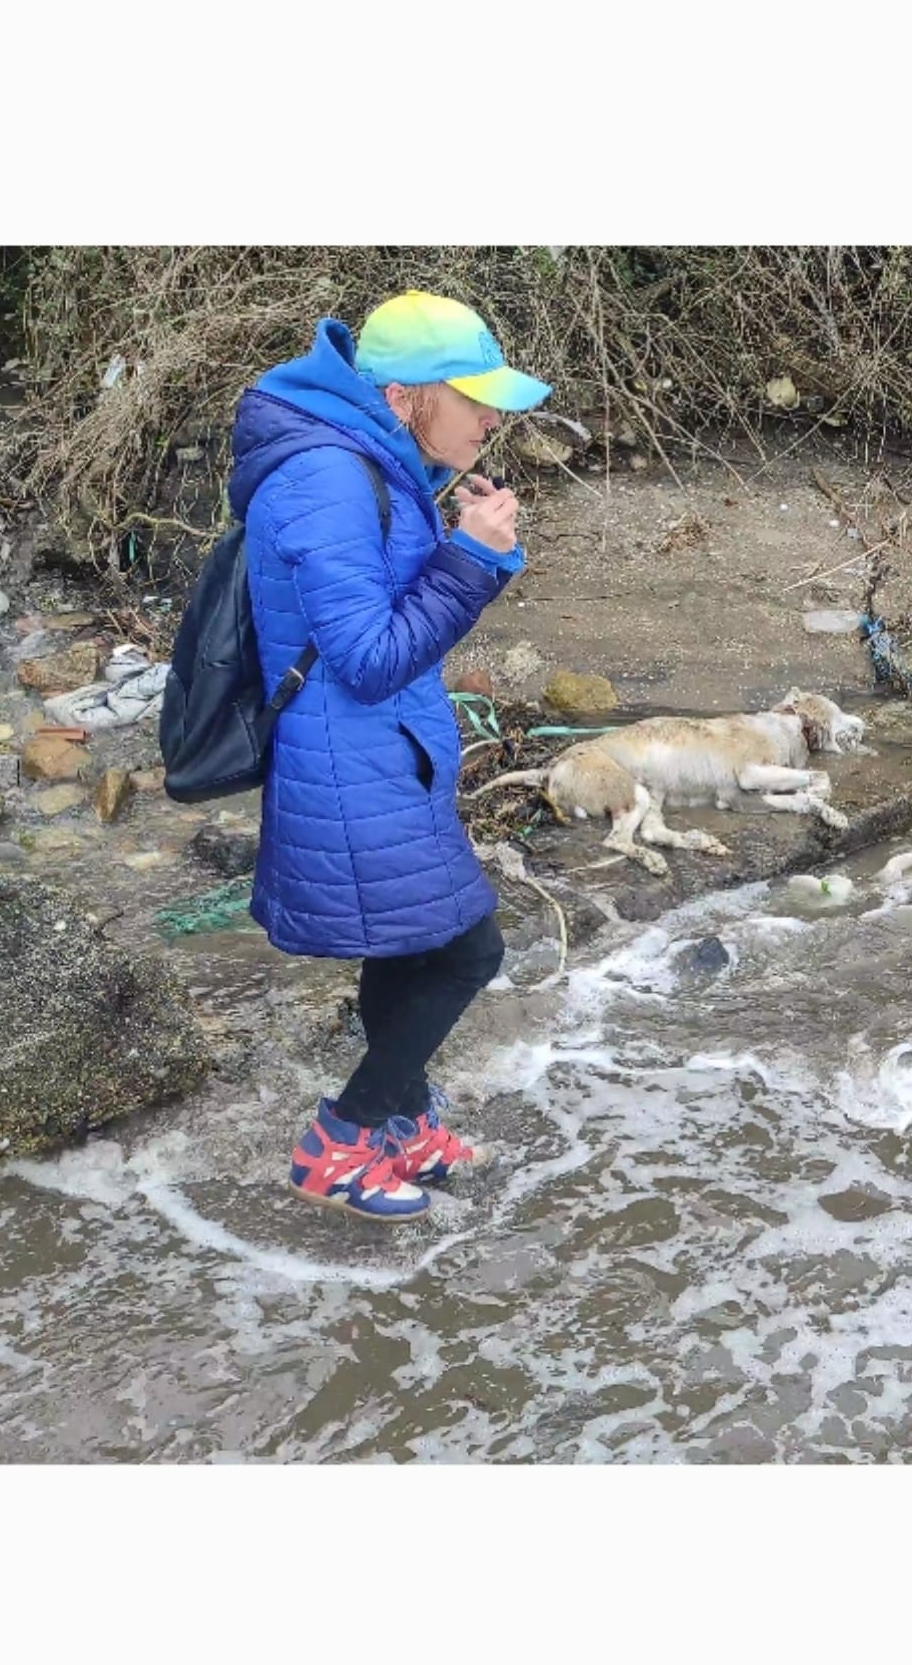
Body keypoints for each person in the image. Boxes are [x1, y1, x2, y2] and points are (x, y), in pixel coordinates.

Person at [226, 290, 552, 1224]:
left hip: (380, 756)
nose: (492, 420)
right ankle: (341, 1138)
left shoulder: (370, 459)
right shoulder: (328, 478)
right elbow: (368, 660)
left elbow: (378, 617)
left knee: (411, 947)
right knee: (468, 952)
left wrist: (469, 546)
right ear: (406, 398)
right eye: (476, 399)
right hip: (348, 762)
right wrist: (471, 558)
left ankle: (402, 1123)